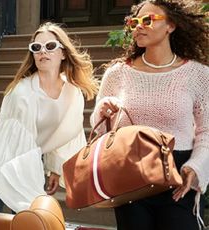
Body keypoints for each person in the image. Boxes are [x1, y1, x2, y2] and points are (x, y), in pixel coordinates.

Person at [90, 0, 209, 229]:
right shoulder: (117, 74)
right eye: (134, 22)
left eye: (148, 20)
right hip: (129, 174)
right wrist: (101, 112)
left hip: (179, 175)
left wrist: (196, 166)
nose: (138, 26)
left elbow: (206, 130)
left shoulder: (198, 74)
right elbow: (101, 133)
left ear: (170, 26)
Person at [0, 22, 98, 213]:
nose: (43, 51)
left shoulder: (72, 93)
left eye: (50, 46)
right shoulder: (23, 92)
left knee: (26, 219)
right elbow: (19, 148)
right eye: (36, 48)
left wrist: (55, 168)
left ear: (63, 53)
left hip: (31, 157)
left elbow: (66, 132)